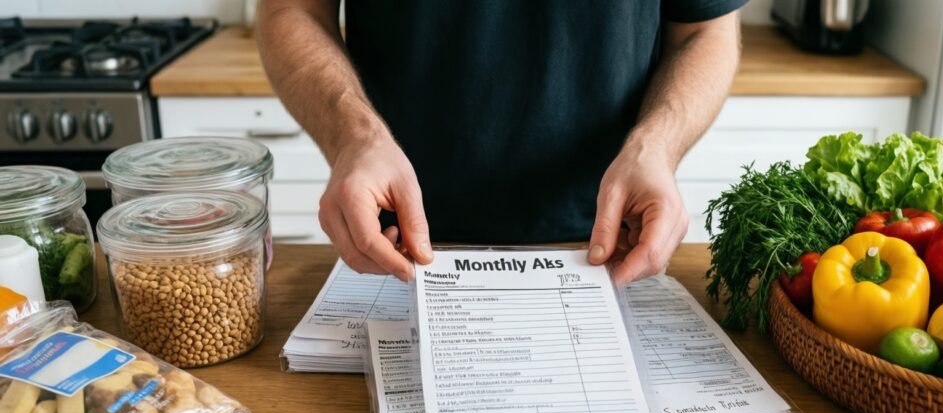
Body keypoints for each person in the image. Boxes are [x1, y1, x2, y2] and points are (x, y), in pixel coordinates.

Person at [257, 0, 744, 283]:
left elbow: (705, 27)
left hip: (607, 244)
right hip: (394, 248)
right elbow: (291, 8)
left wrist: (656, 145)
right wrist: (354, 139)